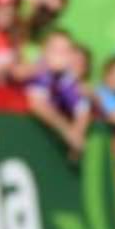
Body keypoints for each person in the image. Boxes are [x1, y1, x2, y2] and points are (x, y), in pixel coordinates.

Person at [23, 29, 90, 160]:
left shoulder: (67, 78)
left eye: (64, 51)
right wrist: (69, 133)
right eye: (55, 50)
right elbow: (38, 105)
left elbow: (82, 109)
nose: (59, 56)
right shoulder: (39, 70)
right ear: (43, 51)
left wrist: (77, 134)